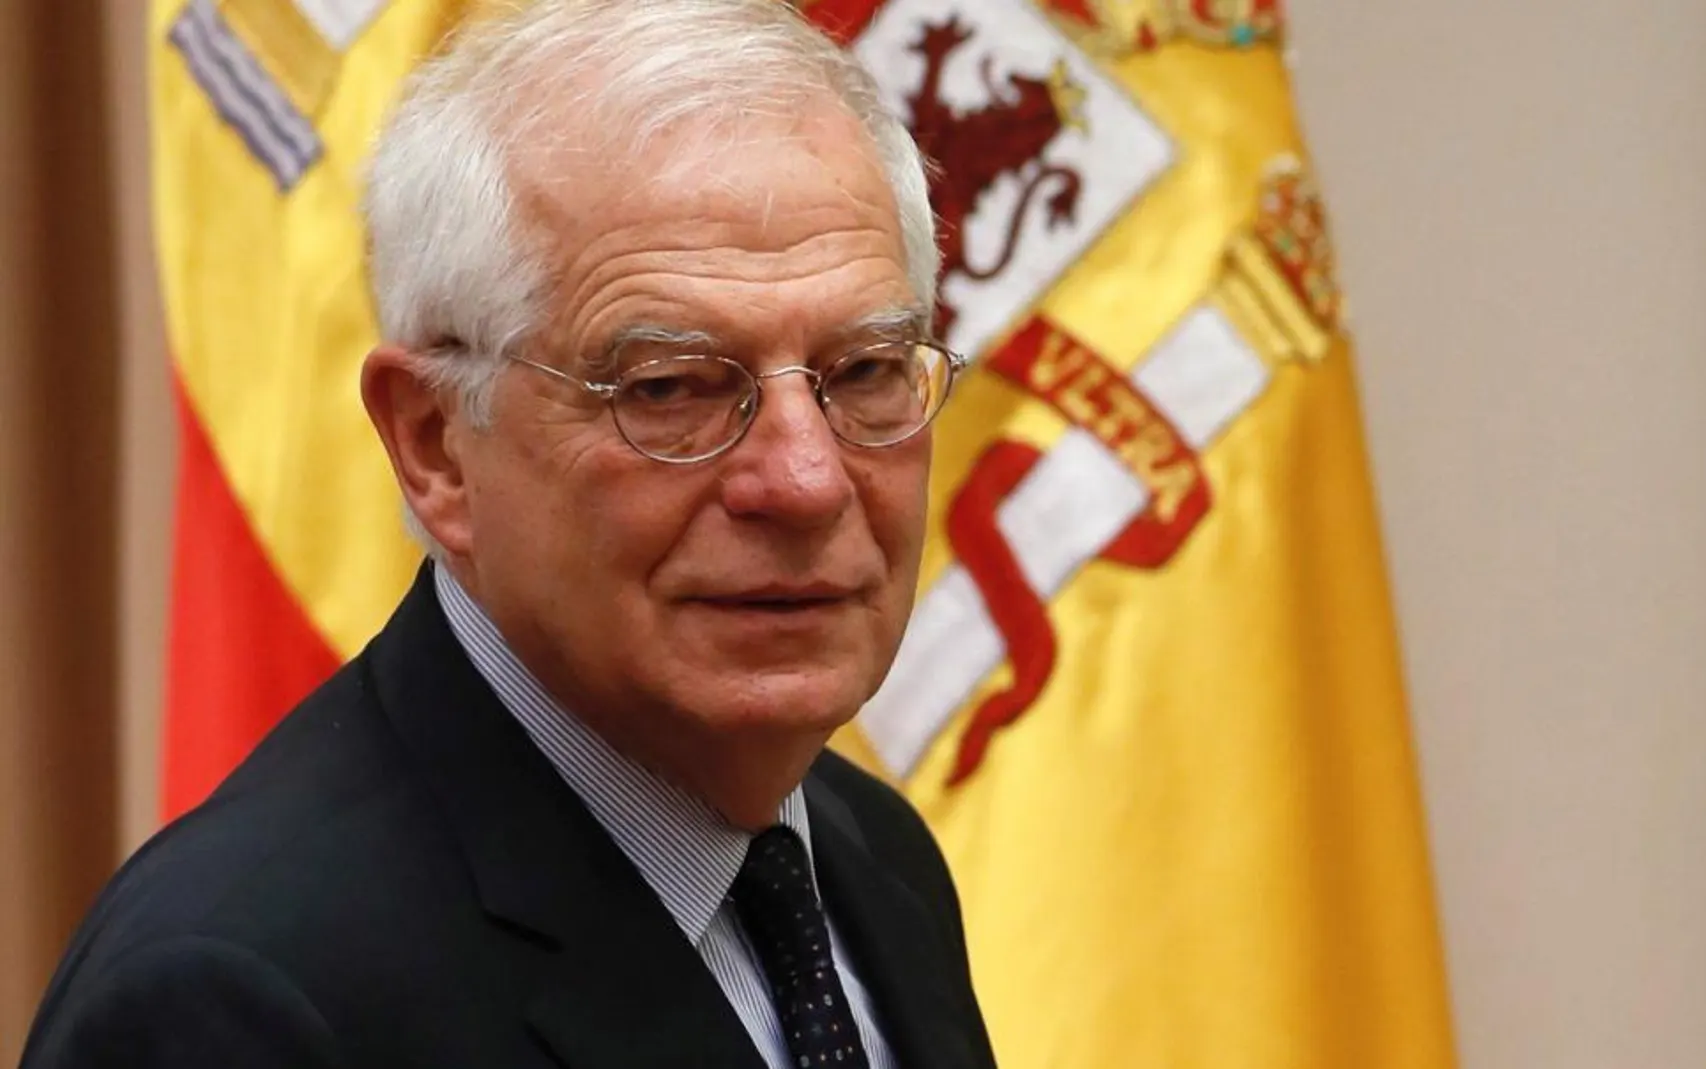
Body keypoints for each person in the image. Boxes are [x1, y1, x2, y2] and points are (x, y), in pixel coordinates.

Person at [21, 0, 997, 1065]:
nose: (807, 480)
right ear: (436, 443)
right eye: (670, 388)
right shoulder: (237, 1002)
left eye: (861, 373)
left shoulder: (865, 860)